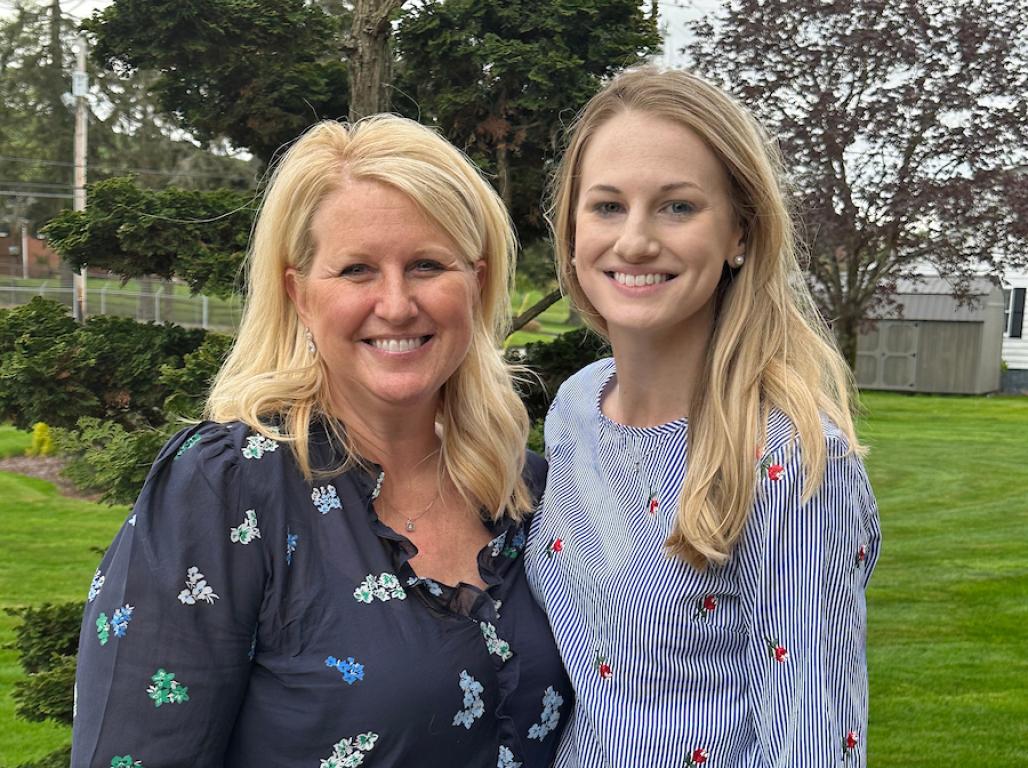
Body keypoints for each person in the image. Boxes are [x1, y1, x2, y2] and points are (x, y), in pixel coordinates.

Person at [72, 114, 571, 768]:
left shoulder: (530, 494)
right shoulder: (227, 491)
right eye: (357, 270)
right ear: (299, 294)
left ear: (475, 284)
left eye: (426, 264)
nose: (395, 304)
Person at [525, 67, 882, 767]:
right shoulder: (574, 408)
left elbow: (812, 742)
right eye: (606, 206)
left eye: (677, 207)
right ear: (570, 229)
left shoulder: (790, 458)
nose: (634, 241)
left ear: (740, 234)